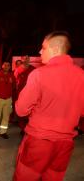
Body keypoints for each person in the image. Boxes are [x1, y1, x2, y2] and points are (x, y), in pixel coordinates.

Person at [13, 31, 84, 181]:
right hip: (65, 144)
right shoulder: (81, 75)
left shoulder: (39, 74)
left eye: (43, 48)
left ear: (55, 49)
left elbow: (20, 110)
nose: (40, 51)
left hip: (39, 141)